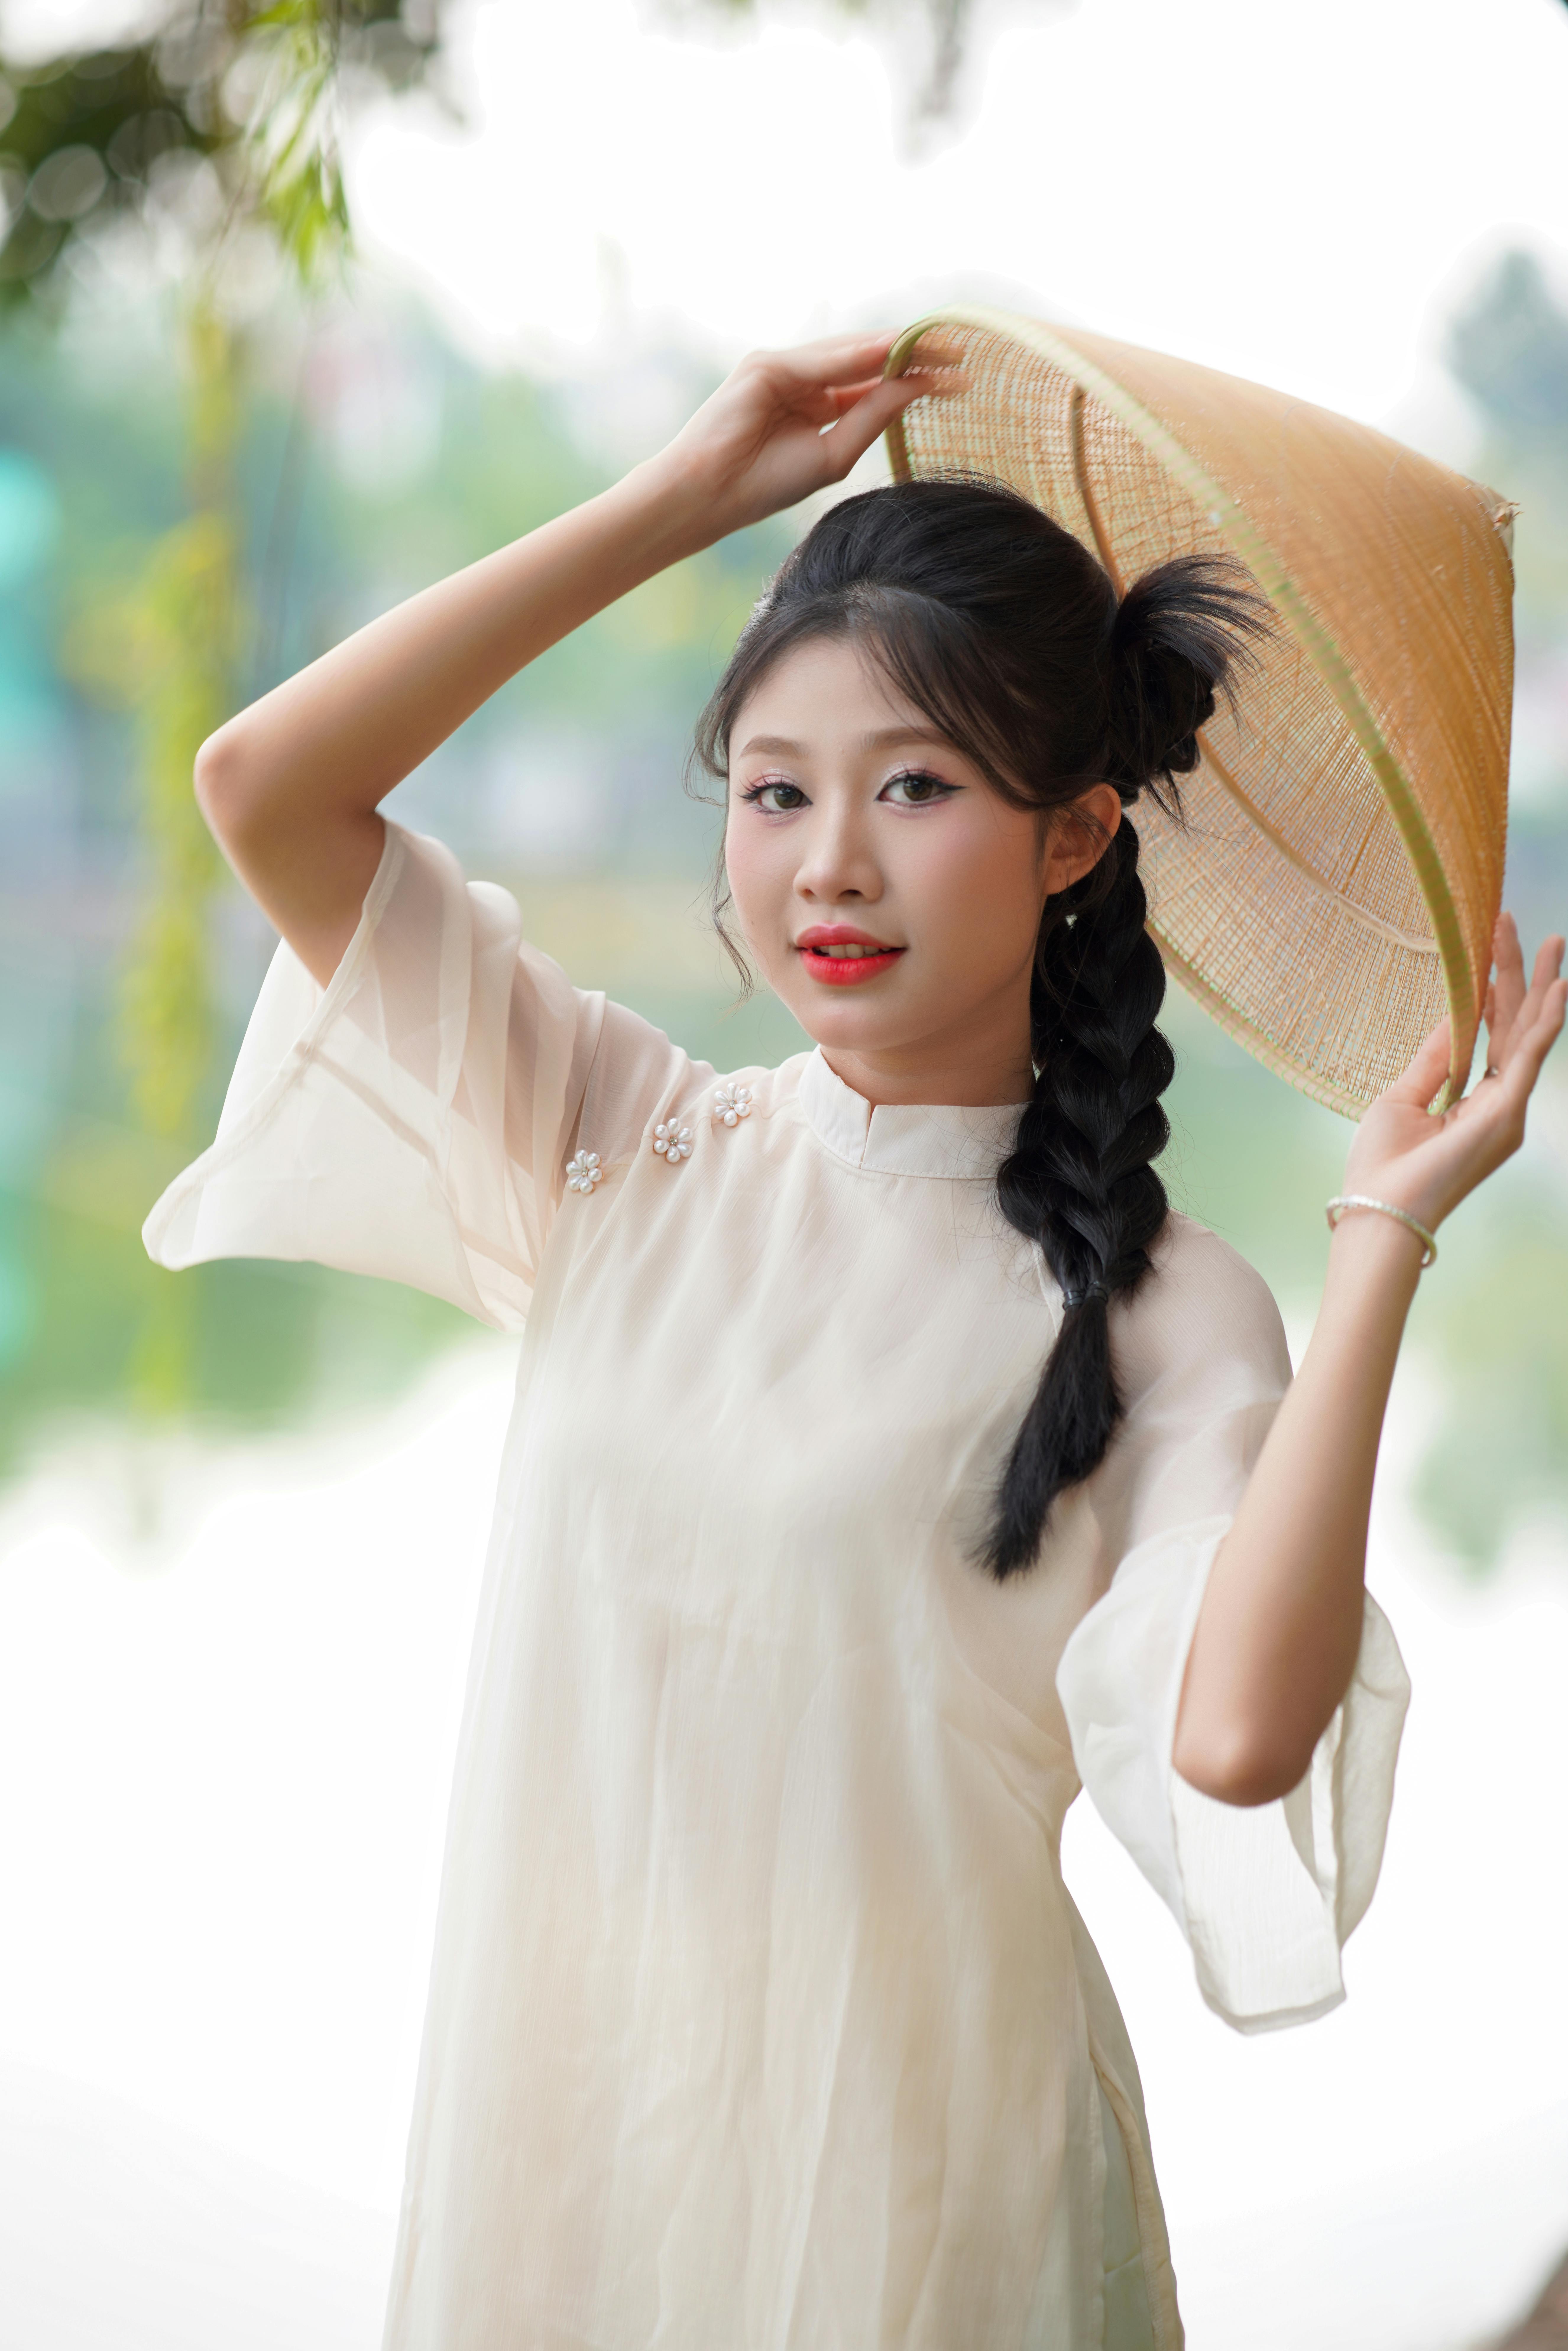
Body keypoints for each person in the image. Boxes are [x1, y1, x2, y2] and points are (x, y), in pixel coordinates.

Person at [145, 332, 1567, 2350]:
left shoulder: (1164, 1303)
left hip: (926, 2214)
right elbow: (262, 787)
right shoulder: (618, 1146)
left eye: (915, 789)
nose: (827, 863)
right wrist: (679, 501)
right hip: (569, 2174)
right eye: (774, 791)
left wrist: (1383, 1236)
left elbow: (1238, 1742)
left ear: (1074, 835)